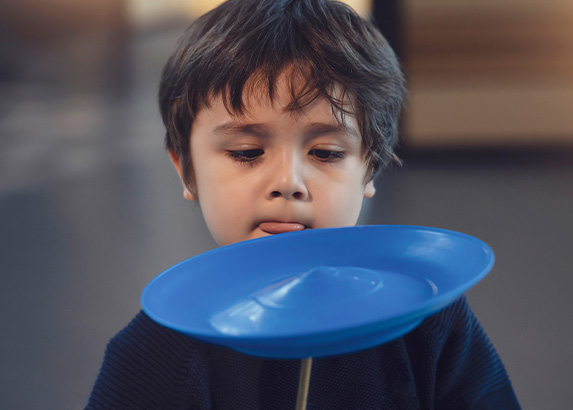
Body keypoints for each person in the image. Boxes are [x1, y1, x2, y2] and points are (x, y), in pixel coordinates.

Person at [86, 0, 520, 408]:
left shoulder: (429, 320)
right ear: (186, 170)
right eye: (246, 152)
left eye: (326, 153)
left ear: (370, 170)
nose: (289, 183)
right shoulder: (152, 356)